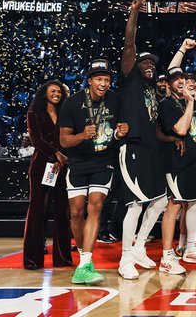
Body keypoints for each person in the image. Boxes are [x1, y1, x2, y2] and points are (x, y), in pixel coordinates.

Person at [58, 59, 128, 284]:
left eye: (107, 79)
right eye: (99, 79)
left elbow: (115, 134)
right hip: (78, 162)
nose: (103, 83)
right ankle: (83, 260)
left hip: (103, 161)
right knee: (76, 213)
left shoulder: (115, 100)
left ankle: (86, 261)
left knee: (95, 206)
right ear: (89, 80)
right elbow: (64, 140)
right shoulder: (72, 103)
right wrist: (81, 136)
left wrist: (120, 134)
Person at [117, 0, 169, 280]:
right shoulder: (130, 79)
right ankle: (125, 259)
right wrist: (134, 11)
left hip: (151, 149)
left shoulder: (152, 90)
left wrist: (172, 140)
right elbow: (129, 44)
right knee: (135, 204)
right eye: (144, 61)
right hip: (132, 147)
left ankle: (138, 247)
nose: (149, 65)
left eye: (153, 63)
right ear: (134, 65)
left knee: (160, 200)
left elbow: (156, 128)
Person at [158, 66, 196, 274]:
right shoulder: (167, 104)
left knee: (195, 204)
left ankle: (190, 248)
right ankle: (166, 256)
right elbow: (180, 129)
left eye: (183, 78)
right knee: (175, 206)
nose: (181, 81)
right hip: (176, 162)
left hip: (194, 160)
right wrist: (190, 102)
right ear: (169, 84)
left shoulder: (190, 100)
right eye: (176, 79)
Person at [23, 80, 73, 270]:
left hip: (63, 168)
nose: (57, 94)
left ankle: (63, 258)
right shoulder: (34, 113)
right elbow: (37, 140)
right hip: (41, 168)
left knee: (63, 213)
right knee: (37, 212)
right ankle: (32, 260)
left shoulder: (64, 113)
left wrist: (63, 157)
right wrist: (56, 154)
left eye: (59, 92)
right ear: (45, 93)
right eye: (53, 91)